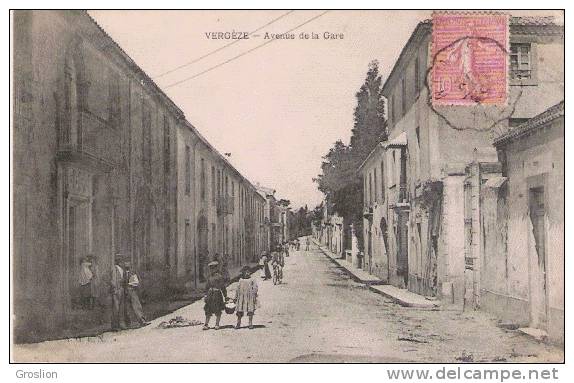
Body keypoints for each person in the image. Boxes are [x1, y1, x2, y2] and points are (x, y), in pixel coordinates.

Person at [123, 261, 149, 327]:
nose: (126, 264)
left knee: (137, 306)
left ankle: (142, 321)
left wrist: (130, 285)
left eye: (127, 262)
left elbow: (136, 282)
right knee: (126, 308)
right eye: (125, 263)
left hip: (132, 291)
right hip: (125, 292)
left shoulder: (132, 272)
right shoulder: (123, 273)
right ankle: (128, 323)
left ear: (130, 264)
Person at [203, 261, 227, 330]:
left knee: (218, 309)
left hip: (217, 294)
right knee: (208, 309)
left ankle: (217, 324)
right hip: (210, 294)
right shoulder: (209, 277)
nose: (212, 270)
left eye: (213, 268)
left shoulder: (219, 276)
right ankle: (206, 324)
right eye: (211, 268)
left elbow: (223, 286)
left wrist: (225, 296)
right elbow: (206, 286)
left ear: (216, 268)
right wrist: (205, 295)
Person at [110, 255, 125, 331]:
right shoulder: (114, 269)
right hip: (116, 290)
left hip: (121, 289)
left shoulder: (121, 269)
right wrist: (115, 289)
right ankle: (115, 326)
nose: (121, 262)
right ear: (117, 261)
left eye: (121, 260)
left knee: (121, 308)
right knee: (116, 308)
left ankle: (121, 324)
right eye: (119, 260)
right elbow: (113, 280)